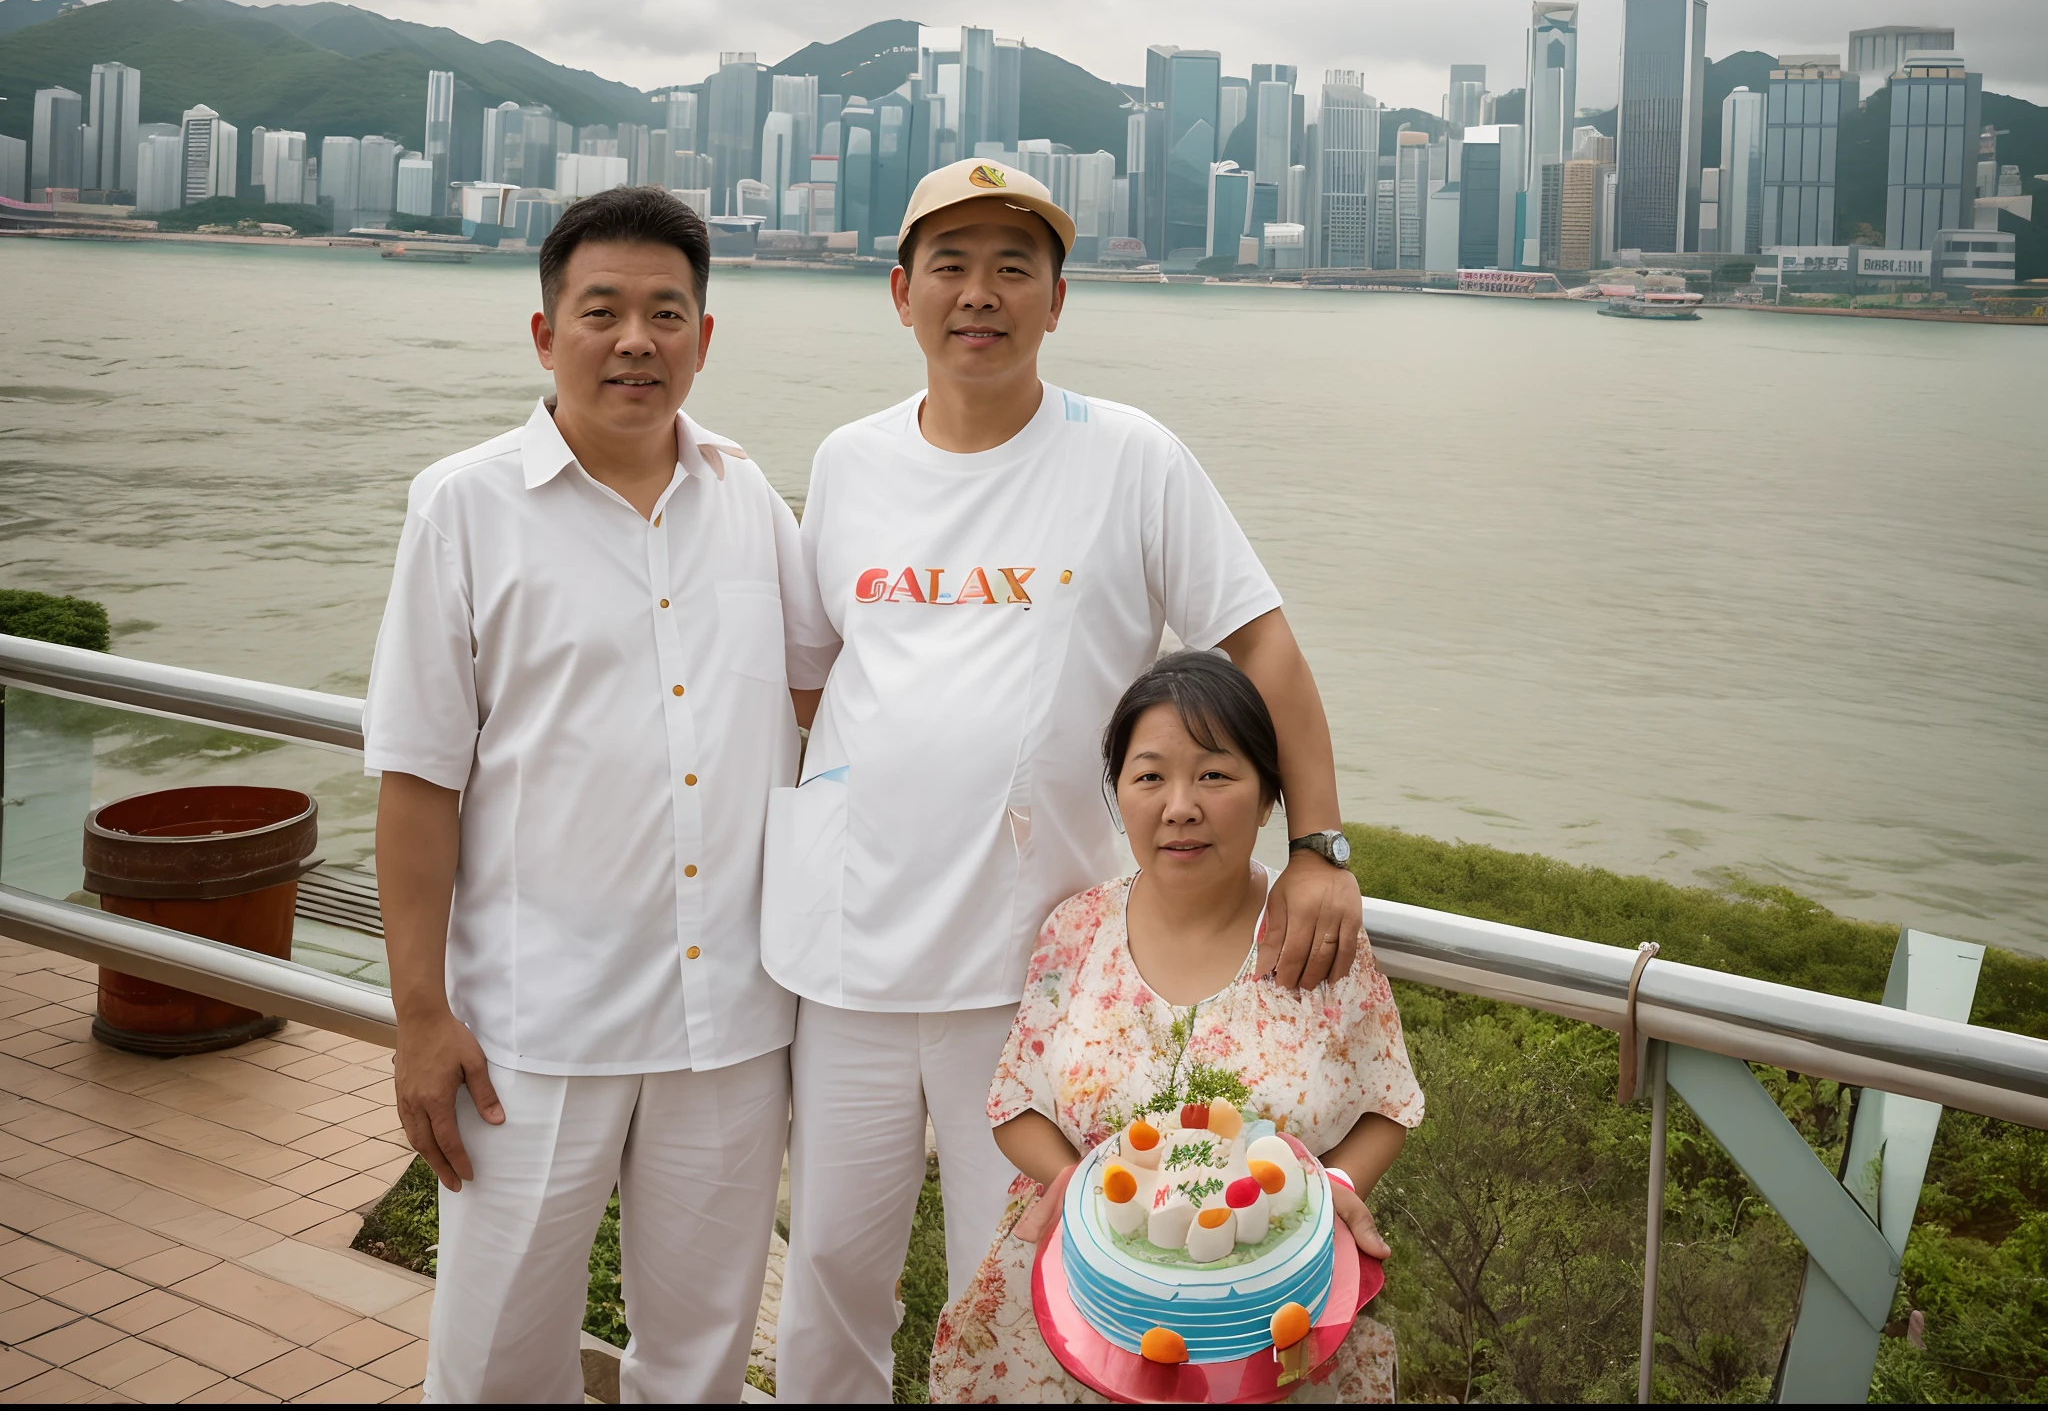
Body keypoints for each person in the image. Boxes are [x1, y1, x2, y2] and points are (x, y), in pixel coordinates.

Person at [769, 158, 1366, 1400]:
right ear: (899, 293)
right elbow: (809, 678)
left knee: (1033, 1280)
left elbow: (1260, 645)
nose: (977, 294)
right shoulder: (847, 461)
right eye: (949, 265)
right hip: (850, 956)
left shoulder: (1127, 456)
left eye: (1011, 267)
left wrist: (1317, 847)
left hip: (1039, 971)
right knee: (829, 1261)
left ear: (1055, 297)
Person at [363, 187, 835, 1402]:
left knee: (699, 1354)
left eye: (665, 312)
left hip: (729, 1022)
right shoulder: (461, 507)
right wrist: (420, 1015)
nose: (636, 338)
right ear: (543, 333)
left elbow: (828, 702)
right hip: (534, 1026)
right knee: (495, 1355)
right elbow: (418, 778)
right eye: (603, 310)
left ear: (703, 336)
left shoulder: (747, 498)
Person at [927, 648, 1423, 1402]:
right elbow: (1014, 1104)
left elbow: (1388, 1103)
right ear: (1120, 793)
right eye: (1150, 775)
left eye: (1215, 775)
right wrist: (1083, 1188)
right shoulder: (1077, 930)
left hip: (1275, 1336)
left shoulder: (1313, 938)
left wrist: (1329, 1187)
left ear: (1267, 799)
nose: (1180, 806)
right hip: (1078, 1319)